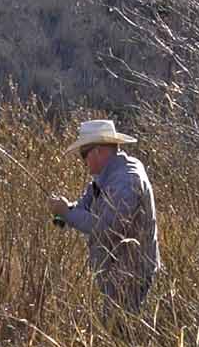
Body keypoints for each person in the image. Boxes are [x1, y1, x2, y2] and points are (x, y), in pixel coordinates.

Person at [47, 119, 161, 314]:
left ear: (98, 151)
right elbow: (84, 205)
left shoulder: (125, 180)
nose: (83, 161)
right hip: (117, 273)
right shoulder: (107, 176)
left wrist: (67, 213)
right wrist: (65, 210)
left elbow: (107, 228)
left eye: (84, 154)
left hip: (131, 276)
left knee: (119, 328)